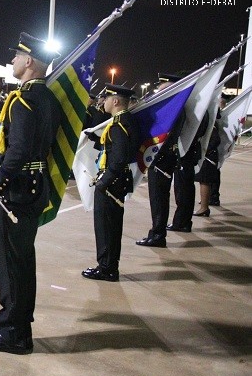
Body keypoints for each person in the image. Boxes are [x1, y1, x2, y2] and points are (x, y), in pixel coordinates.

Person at [0, 32, 61, 355]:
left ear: (29, 62)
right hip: (34, 187)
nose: (11, 61)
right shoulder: (48, 98)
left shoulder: (23, 99)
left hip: (16, 191)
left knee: (10, 263)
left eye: (16, 56)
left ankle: (11, 331)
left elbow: (20, 149)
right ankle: (20, 328)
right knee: (22, 262)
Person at [81, 84, 139, 282]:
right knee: (111, 226)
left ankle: (106, 268)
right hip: (118, 180)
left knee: (106, 227)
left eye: (106, 98)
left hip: (112, 182)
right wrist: (95, 141)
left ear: (115, 101)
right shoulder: (124, 121)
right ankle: (109, 265)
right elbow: (116, 149)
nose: (103, 101)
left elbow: (120, 156)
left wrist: (103, 182)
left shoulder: (118, 125)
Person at [136, 73, 183, 247]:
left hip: (162, 158)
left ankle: (157, 235)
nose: (158, 93)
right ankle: (157, 232)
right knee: (159, 197)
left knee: (158, 198)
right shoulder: (174, 108)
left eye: (163, 90)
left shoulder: (175, 109)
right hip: (162, 157)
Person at [194, 110, 221, 217]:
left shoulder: (211, 123)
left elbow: (215, 140)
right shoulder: (212, 122)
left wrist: (205, 151)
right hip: (209, 156)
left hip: (208, 157)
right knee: (204, 182)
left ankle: (204, 208)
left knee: (204, 181)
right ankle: (204, 206)